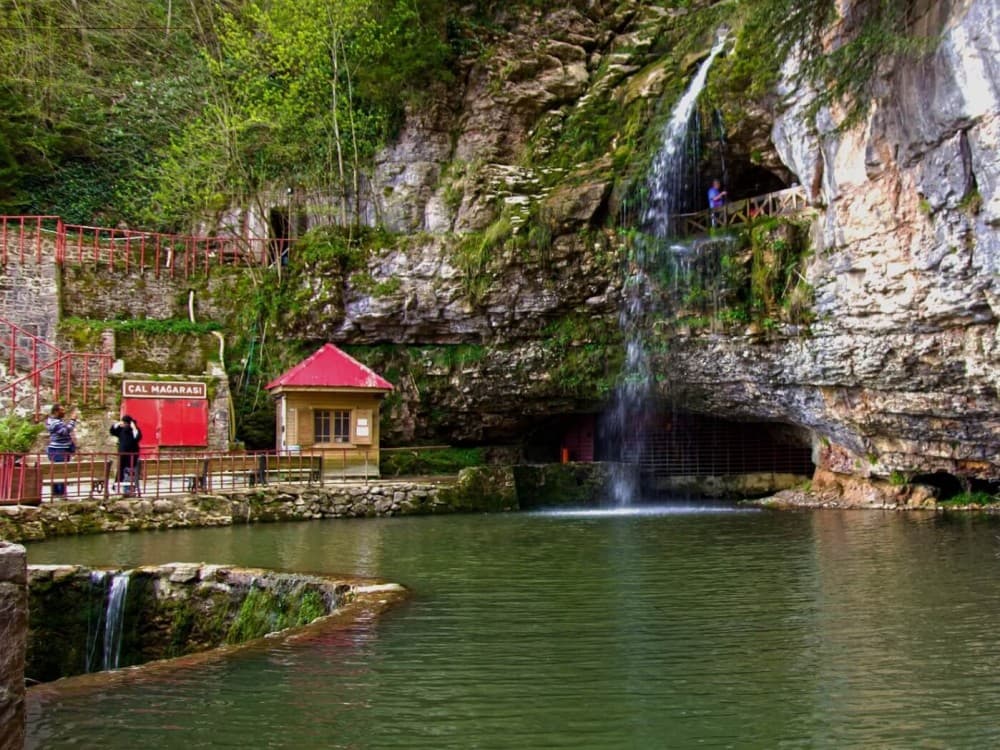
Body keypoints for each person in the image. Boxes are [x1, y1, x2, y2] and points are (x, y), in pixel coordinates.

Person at [46, 404, 78, 498]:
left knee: (58, 471)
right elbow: (64, 431)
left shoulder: (56, 421)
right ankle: (60, 493)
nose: (64, 412)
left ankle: (57, 493)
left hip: (60, 449)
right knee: (61, 471)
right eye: (62, 410)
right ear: (56, 412)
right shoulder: (55, 423)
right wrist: (72, 421)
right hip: (58, 450)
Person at [110, 415, 142, 496]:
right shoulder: (122, 430)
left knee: (130, 472)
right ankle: (117, 487)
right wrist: (117, 423)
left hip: (132, 455)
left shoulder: (134, 430)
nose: (123, 424)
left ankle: (129, 489)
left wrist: (134, 428)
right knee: (120, 471)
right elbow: (113, 431)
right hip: (122, 454)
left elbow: (137, 437)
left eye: (124, 423)